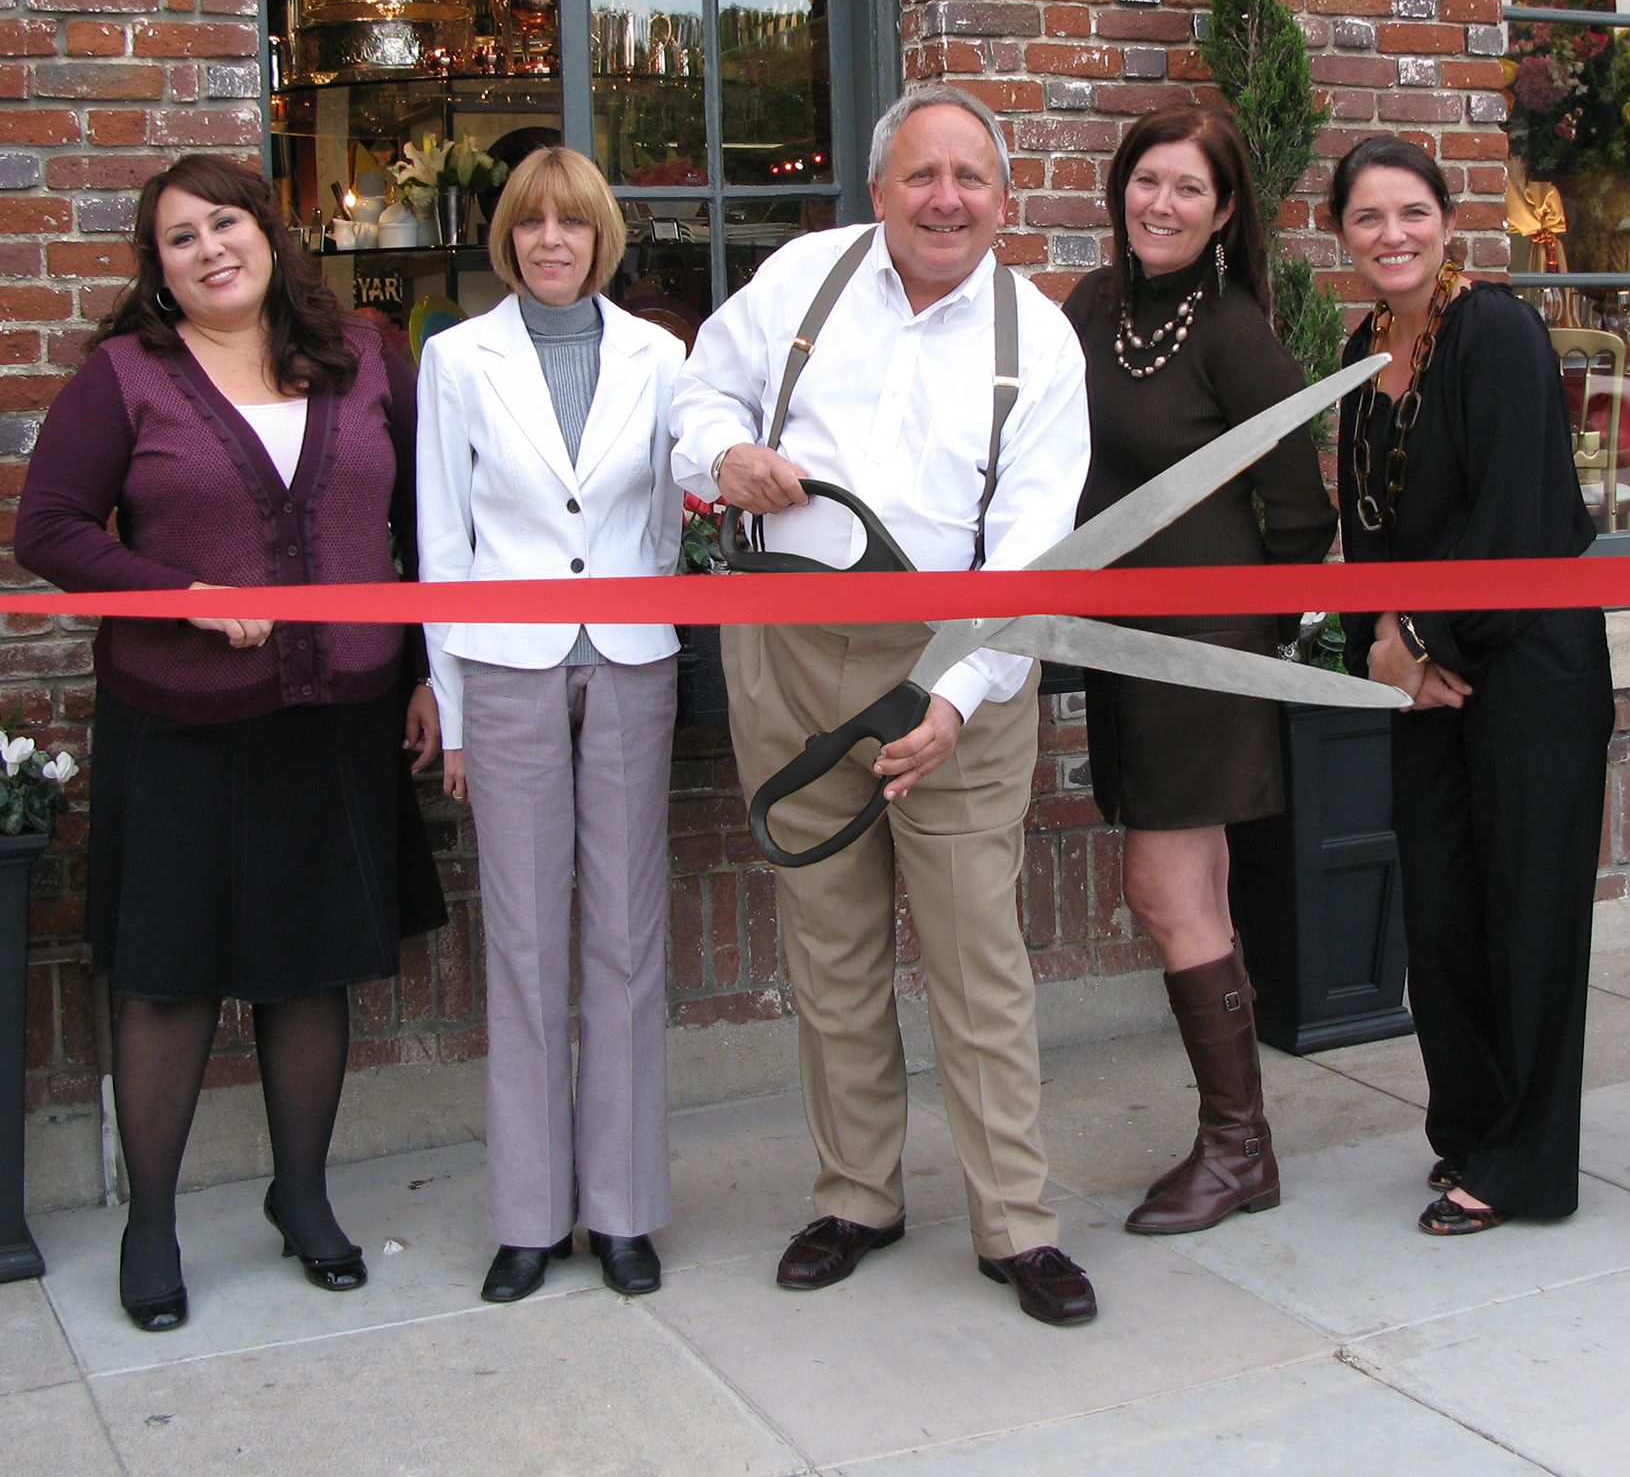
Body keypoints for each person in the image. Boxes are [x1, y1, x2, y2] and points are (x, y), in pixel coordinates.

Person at [670, 83, 1099, 1326]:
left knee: (975, 954)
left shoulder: (1040, 340)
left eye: (969, 178)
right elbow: (696, 395)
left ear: (1005, 201)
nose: (945, 199)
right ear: (877, 190)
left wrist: (956, 695)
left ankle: (1014, 1220)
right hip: (793, 653)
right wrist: (722, 458)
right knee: (830, 944)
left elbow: (1034, 551)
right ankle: (856, 1194)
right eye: (921, 175)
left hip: (960, 656)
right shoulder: (803, 278)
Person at [15, 154, 445, 1333]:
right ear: (156, 271)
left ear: (269, 231)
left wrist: (421, 677)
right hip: (184, 729)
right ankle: (150, 1220)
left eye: (226, 222)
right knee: (170, 977)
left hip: (337, 719)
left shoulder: (362, 360)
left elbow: (420, 527)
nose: (210, 248)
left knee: (309, 969)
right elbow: (47, 527)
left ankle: (299, 1197)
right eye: (177, 237)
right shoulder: (125, 378)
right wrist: (178, 589)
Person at [416, 143, 687, 1304]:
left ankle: (622, 1209)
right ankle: (527, 1214)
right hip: (509, 668)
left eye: (571, 224)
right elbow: (440, 543)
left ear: (602, 237)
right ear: (506, 239)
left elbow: (672, 517)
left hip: (629, 661)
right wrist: (461, 711)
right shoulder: (455, 359)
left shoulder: (661, 355)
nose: (550, 242)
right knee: (523, 945)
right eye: (529, 224)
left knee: (626, 938)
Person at [1333, 133, 1613, 1235]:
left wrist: (1419, 633)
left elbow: (1522, 512)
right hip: (1423, 673)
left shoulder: (1492, 329)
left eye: (1410, 212)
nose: (1390, 234)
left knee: (1526, 920)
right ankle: (1470, 1126)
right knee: (1444, 916)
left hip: (1529, 667)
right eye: (1366, 217)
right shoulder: (1363, 352)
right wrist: (1383, 648)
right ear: (1342, 237)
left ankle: (1528, 1162)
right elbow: (1370, 530)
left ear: (1447, 221)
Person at [1061, 107, 1335, 1234]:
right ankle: (1245, 1146)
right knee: (1196, 894)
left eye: (1187, 189)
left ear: (1225, 212)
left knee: (1164, 889)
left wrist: (1238, 640)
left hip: (1201, 650)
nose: (1159, 204)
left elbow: (1299, 508)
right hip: (1123, 646)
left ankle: (1234, 1145)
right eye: (1145, 182)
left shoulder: (1233, 330)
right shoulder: (1091, 308)